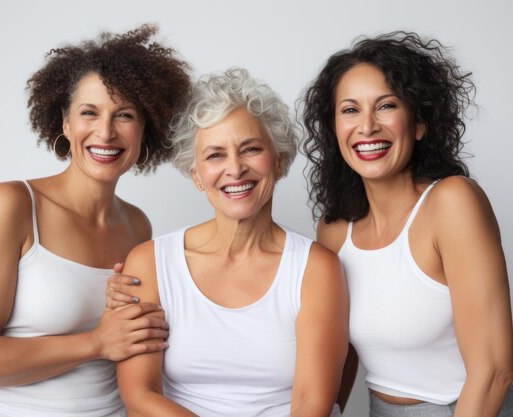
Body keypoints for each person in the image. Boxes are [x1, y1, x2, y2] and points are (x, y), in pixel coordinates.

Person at [0, 24, 190, 417]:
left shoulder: (138, 226)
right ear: (66, 124)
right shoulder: (13, 204)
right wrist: (98, 342)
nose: (105, 131)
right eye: (89, 112)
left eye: (124, 115)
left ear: (145, 129)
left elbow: (133, 345)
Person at [301, 32, 513, 417]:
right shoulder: (333, 230)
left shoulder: (453, 202)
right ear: (333, 130)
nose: (366, 126)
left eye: (386, 106)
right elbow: (338, 355)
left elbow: (494, 371)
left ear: (419, 123)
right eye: (350, 110)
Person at [106, 68, 348, 416]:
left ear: (278, 161)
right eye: (215, 155)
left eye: (250, 149)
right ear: (197, 175)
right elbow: (140, 394)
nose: (235, 169)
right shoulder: (149, 263)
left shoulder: (317, 267)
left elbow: (312, 403)